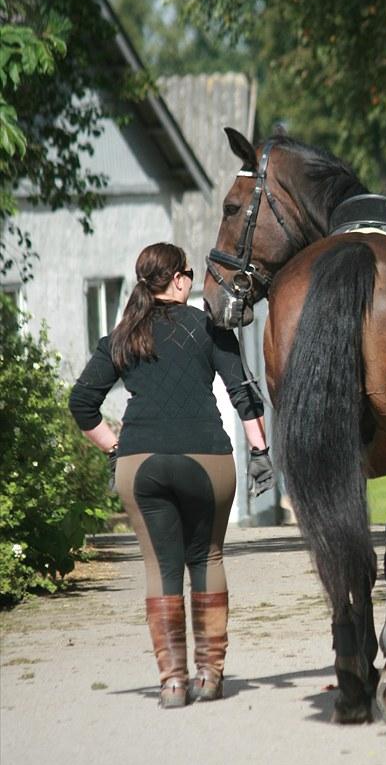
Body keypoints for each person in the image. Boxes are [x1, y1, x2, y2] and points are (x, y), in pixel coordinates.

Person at [69, 243, 274, 708]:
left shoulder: (122, 335)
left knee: (162, 569)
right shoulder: (208, 326)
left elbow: (82, 403)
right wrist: (261, 452)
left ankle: (173, 683)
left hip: (142, 464)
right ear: (180, 279)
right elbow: (242, 391)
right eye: (188, 272)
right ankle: (210, 676)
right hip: (208, 459)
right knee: (207, 559)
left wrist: (115, 447)